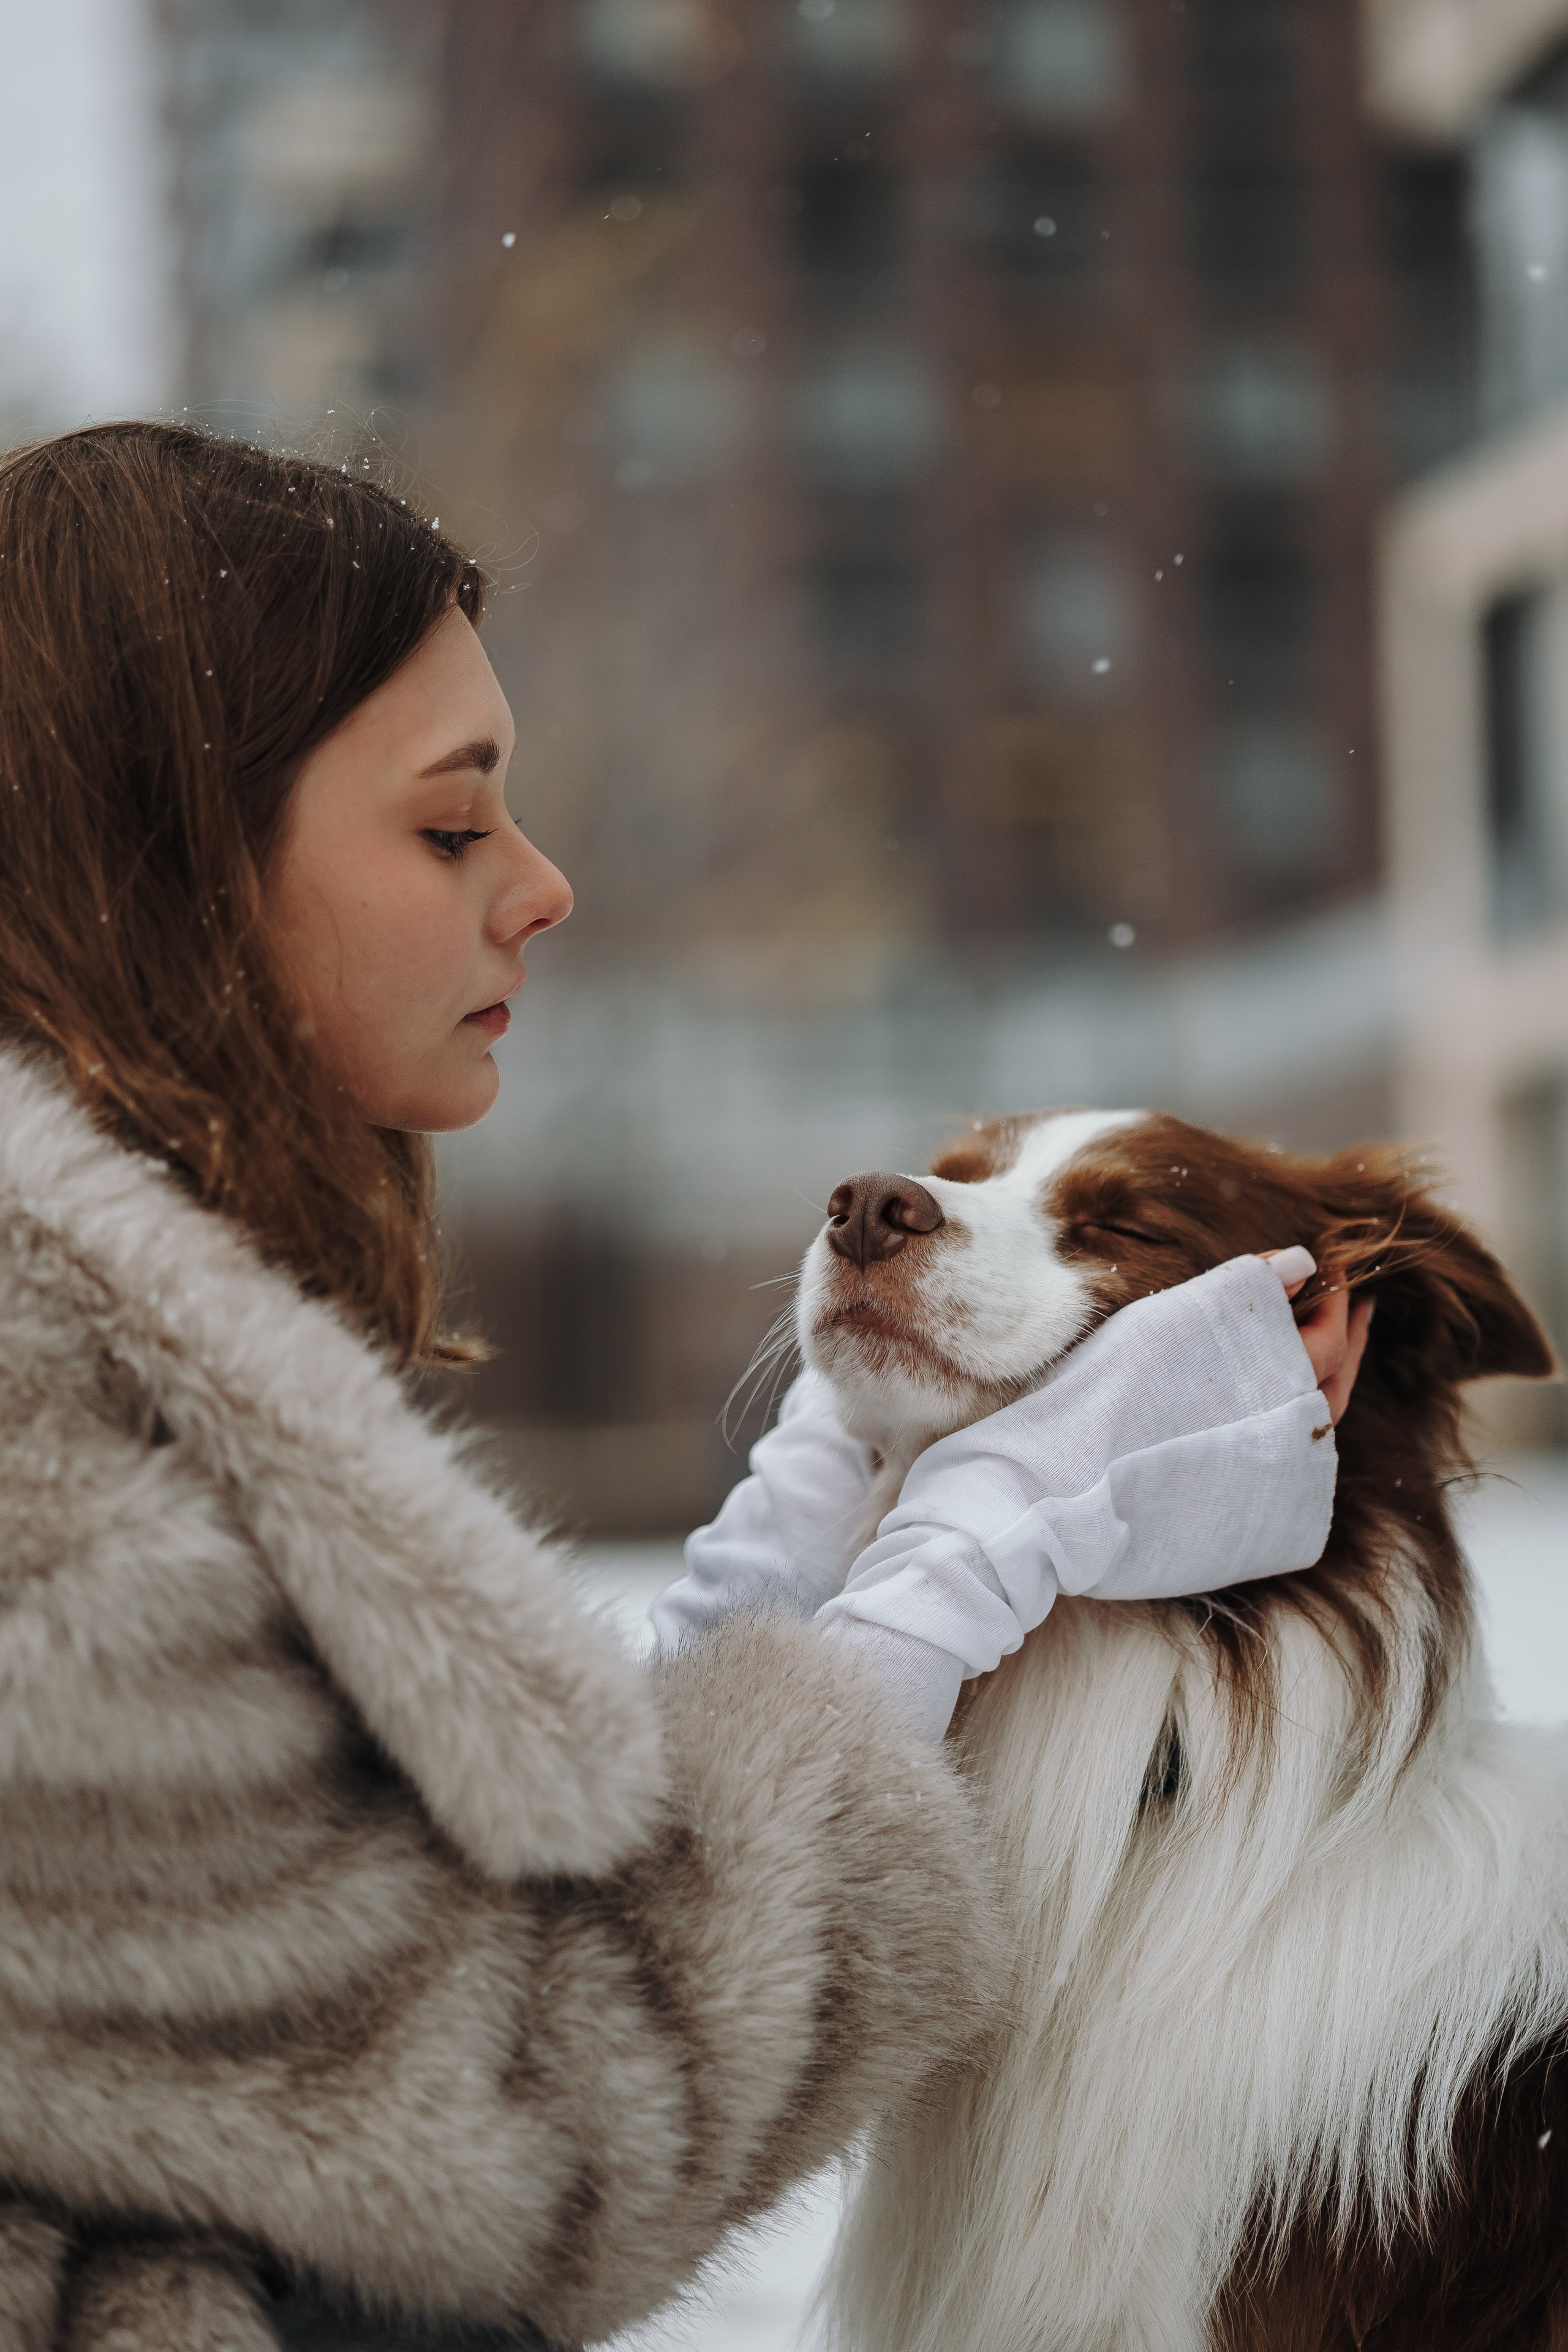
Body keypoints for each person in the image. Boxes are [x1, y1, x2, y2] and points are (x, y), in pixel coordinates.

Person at [0, 423, 1368, 2352]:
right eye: (453, 824)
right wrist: (1002, 1526)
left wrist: (844, 1462)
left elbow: (408, 1955)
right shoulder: (43, 1461)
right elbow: (516, 2153)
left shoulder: (91, 1330)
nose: (542, 887)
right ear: (177, 868)